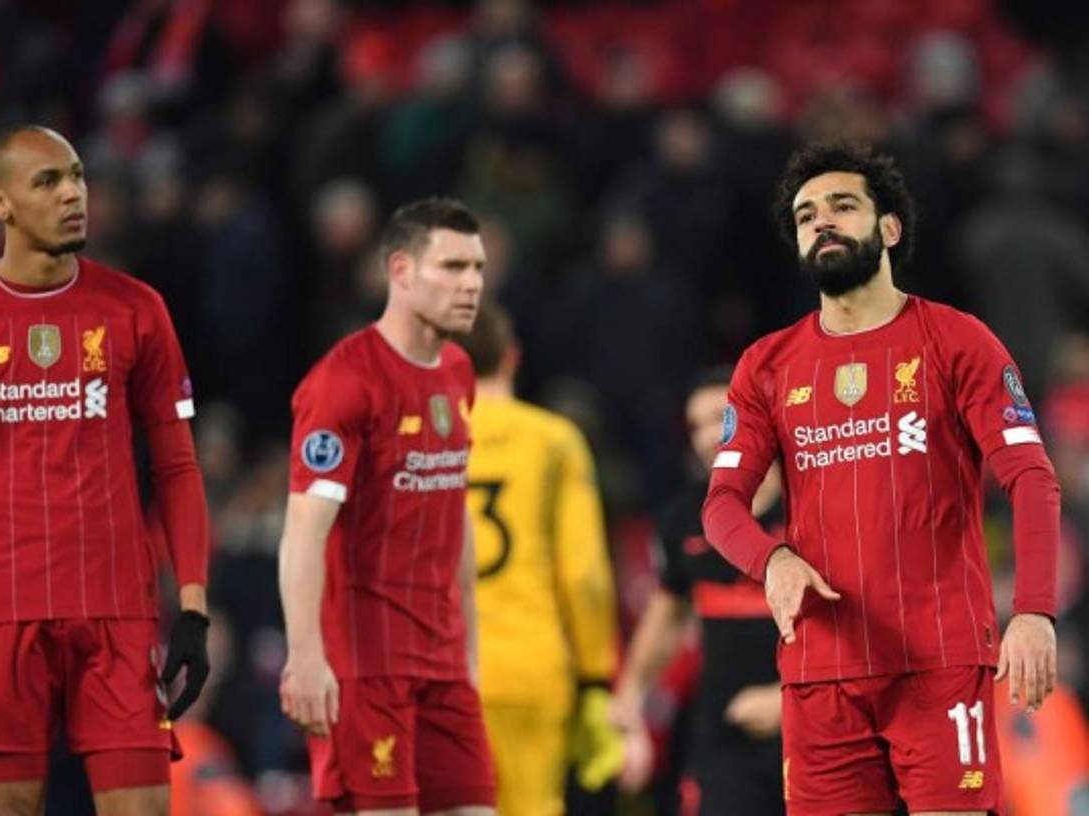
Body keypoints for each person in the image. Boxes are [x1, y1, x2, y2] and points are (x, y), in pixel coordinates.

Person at [702, 141, 1061, 816]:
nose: (823, 222)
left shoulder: (959, 342)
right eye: (808, 215)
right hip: (819, 674)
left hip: (942, 664)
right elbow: (722, 504)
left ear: (888, 227)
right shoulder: (766, 366)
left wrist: (1035, 611)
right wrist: (771, 558)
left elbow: (1031, 477)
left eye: (843, 205)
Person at [0, 125, 211, 815]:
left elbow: (179, 467)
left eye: (78, 177)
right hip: (0, 614)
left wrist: (192, 609)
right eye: (48, 182)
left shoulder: (138, 310)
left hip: (118, 615)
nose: (74, 194)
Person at [279, 197, 496, 815]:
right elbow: (303, 530)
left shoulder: (458, 372)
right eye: (452, 267)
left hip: (445, 663)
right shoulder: (344, 382)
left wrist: (471, 655)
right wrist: (305, 657)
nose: (472, 284)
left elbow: (455, 514)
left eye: (477, 268)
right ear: (400, 271)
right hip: (366, 665)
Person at [452, 303, 623, 816]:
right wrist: (596, 678)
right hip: (533, 665)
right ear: (513, 357)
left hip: (446, 670)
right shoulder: (555, 441)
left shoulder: (420, 439)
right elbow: (586, 574)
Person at [614, 368, 785, 816]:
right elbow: (668, 616)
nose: (709, 436)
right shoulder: (683, 518)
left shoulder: (819, 508)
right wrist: (629, 699)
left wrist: (788, 700)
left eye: (721, 418)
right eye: (697, 426)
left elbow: (864, 623)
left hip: (820, 730)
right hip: (723, 742)